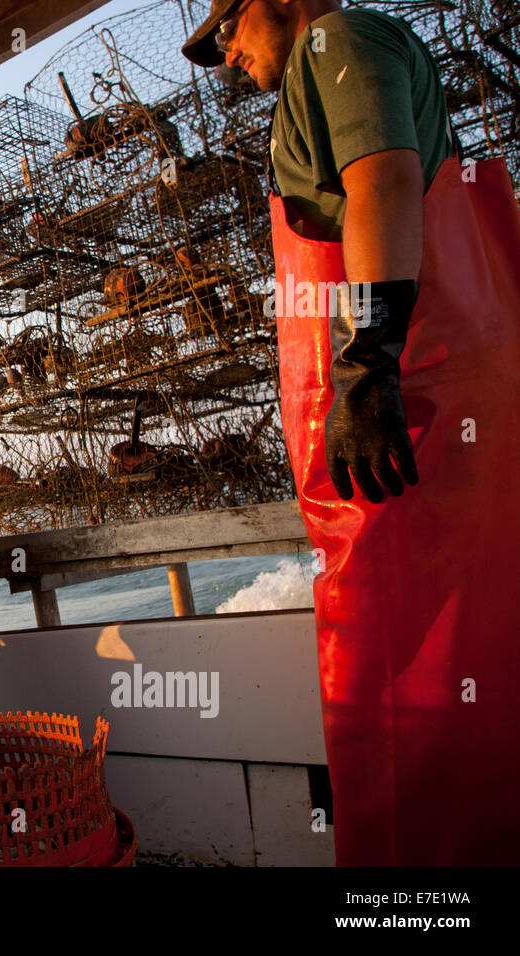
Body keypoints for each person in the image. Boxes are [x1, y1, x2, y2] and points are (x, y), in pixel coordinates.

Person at [183, 0, 520, 864]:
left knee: (404, 688)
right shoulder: (329, 64)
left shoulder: (338, 40)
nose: (227, 57)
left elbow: (384, 182)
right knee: (451, 673)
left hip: (420, 417)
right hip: (439, 404)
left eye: (228, 30)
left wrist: (368, 362)